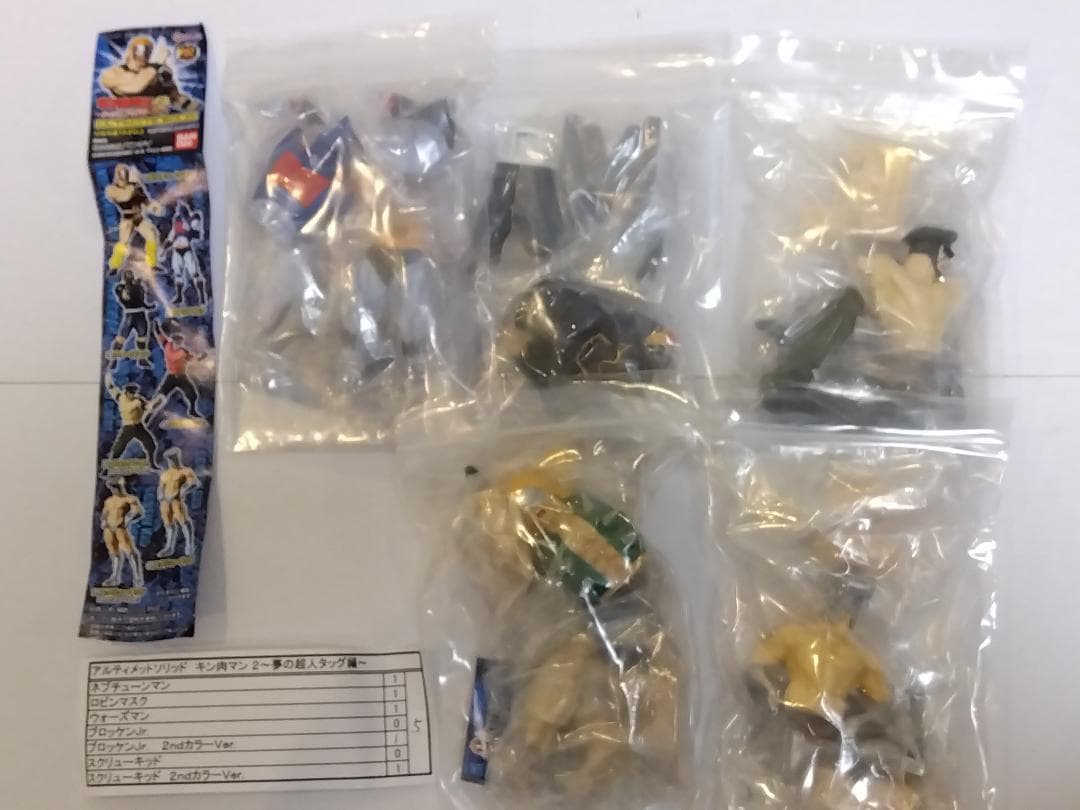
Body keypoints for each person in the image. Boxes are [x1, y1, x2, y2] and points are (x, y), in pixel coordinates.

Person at [99, 35, 195, 111]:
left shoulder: (159, 72)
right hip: (126, 124)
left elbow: (176, 98)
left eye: (147, 50)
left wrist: (196, 108)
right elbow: (134, 86)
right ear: (130, 51)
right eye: (139, 49)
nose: (143, 54)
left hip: (158, 123)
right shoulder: (112, 73)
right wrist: (155, 65)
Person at [105, 164, 163, 270]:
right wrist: (133, 184)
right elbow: (125, 197)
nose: (124, 175)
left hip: (138, 217)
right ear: (117, 175)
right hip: (127, 219)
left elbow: (145, 200)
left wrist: (154, 208)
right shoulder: (112, 189)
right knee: (123, 242)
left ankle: (152, 264)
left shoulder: (135, 186)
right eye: (121, 173)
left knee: (151, 235)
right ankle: (114, 266)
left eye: (125, 173)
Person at [148, 321, 204, 419]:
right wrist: (155, 326)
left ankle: (192, 411)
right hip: (171, 376)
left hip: (182, 377)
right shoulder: (167, 345)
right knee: (160, 396)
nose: (178, 343)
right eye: (176, 341)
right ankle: (149, 412)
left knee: (192, 394)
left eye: (180, 341)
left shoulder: (183, 351)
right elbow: (159, 335)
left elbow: (194, 358)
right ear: (173, 341)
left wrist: (201, 357)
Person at [106, 372, 161, 467]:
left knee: (151, 444)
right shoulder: (121, 398)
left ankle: (152, 464)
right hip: (128, 428)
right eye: (131, 393)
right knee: (118, 449)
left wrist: (154, 404)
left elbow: (148, 407)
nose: (133, 395)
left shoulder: (138, 399)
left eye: (134, 393)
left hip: (139, 426)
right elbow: (112, 388)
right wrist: (108, 378)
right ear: (127, 392)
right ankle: (107, 468)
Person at [99, 478, 145, 588]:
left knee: (131, 552)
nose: (116, 490)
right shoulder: (109, 501)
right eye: (114, 487)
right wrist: (104, 522)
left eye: (118, 487)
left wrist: (128, 519)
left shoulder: (130, 499)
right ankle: (115, 577)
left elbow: (138, 512)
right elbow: (104, 514)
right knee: (114, 553)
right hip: (109, 529)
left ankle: (138, 578)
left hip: (120, 528)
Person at [156, 448, 199, 558]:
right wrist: (160, 496)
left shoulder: (185, 471)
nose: (172, 461)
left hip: (176, 500)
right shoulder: (165, 474)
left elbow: (193, 483)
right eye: (170, 459)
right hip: (165, 502)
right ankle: (169, 547)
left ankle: (189, 545)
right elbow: (161, 487)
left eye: (174, 459)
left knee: (184, 522)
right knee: (168, 524)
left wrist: (183, 490)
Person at [162, 203, 207, 305]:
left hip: (186, 250)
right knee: (178, 274)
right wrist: (164, 250)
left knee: (194, 273)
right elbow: (170, 239)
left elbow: (197, 232)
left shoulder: (190, 223)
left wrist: (193, 223)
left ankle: (201, 296)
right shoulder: (177, 225)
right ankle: (179, 296)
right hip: (177, 250)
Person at [111, 268, 156, 367]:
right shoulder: (120, 287)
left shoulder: (138, 286)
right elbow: (126, 298)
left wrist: (148, 306)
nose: (130, 277)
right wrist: (133, 286)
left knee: (142, 338)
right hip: (130, 314)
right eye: (128, 275)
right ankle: (114, 360)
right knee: (121, 338)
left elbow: (141, 300)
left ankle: (142, 359)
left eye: (131, 274)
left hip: (140, 314)